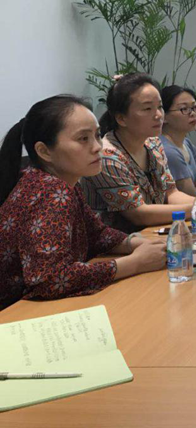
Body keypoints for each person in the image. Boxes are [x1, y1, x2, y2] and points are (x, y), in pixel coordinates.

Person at [0, 95, 167, 310]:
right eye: (83, 139)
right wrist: (135, 263)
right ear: (44, 151)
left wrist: (137, 244)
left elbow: (97, 234)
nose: (97, 147)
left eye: (97, 135)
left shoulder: (62, 182)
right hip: (15, 315)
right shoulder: (50, 191)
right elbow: (50, 279)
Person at [82, 73, 196, 234]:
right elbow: (139, 214)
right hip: (119, 242)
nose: (158, 115)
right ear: (121, 118)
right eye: (147, 109)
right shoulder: (108, 156)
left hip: (151, 233)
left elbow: (171, 193)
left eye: (160, 107)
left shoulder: (153, 143)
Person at [159, 85, 196, 197]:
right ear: (164, 116)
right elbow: (190, 195)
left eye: (194, 107)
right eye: (184, 109)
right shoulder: (168, 151)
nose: (193, 113)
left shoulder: (187, 143)